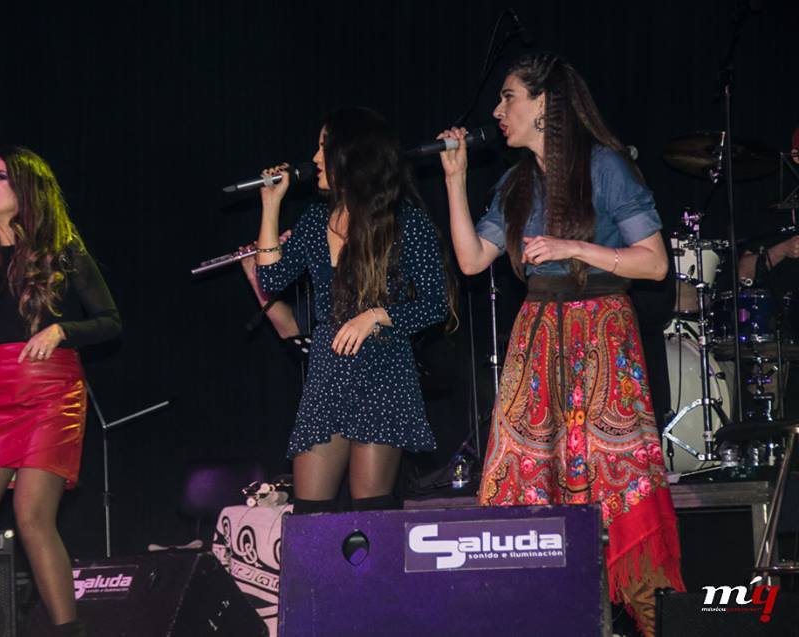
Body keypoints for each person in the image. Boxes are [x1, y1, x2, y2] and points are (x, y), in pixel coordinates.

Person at [438, 53, 683, 635]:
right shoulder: (517, 182)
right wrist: (454, 181)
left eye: (508, 98)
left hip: (601, 333)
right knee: (520, 482)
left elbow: (653, 264)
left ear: (544, 103)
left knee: (618, 483)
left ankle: (653, 620)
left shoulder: (605, 167)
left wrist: (577, 249)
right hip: (539, 339)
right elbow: (473, 261)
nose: (498, 111)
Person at [0, 146, 121, 636]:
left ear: (27, 189)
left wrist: (63, 331)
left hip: (49, 390)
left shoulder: (63, 247)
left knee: (32, 516)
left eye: (1, 177)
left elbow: (110, 321)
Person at [255, 107, 453, 513]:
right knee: (310, 517)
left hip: (383, 371)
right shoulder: (314, 221)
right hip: (328, 375)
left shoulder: (405, 223)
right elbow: (272, 282)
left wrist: (378, 315)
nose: (314, 159)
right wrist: (271, 205)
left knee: (371, 517)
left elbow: (436, 304)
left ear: (352, 156)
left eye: (323, 148)